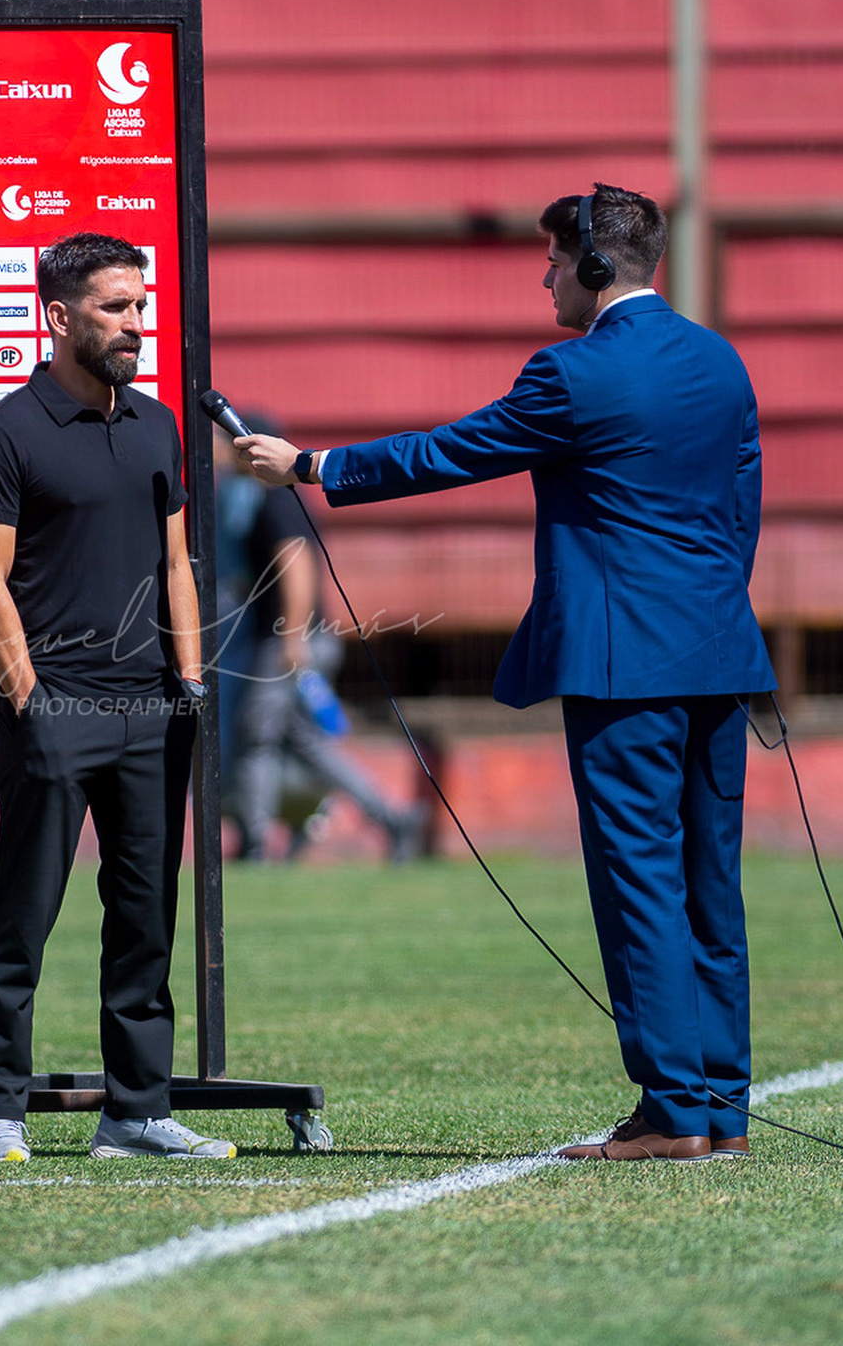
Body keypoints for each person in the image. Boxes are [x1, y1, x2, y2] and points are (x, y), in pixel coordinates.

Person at [238, 185, 776, 1162]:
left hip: (621, 666)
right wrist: (711, 618)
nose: (544, 278)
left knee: (639, 881)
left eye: (553, 261)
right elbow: (742, 504)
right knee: (711, 881)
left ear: (596, 267)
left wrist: (311, 466)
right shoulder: (720, 358)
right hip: (718, 652)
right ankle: (722, 1109)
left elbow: (453, 451)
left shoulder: (573, 372)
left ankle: (671, 1110)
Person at [0, 232, 235, 1163]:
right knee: (24, 913)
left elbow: (176, 563)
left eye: (140, 306)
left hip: (156, 708)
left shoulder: (157, 427)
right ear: (59, 315)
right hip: (55, 707)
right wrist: (29, 696)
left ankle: (137, 1111)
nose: (135, 324)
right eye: (116, 307)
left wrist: (189, 679)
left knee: (147, 913)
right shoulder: (6, 434)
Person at [221, 419, 428, 863]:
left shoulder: (273, 497)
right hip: (296, 638)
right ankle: (393, 818)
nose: (214, 456)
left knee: (255, 733)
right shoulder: (256, 499)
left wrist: (291, 637)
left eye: (222, 445)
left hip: (292, 640)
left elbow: (296, 561)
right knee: (306, 743)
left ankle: (255, 841)